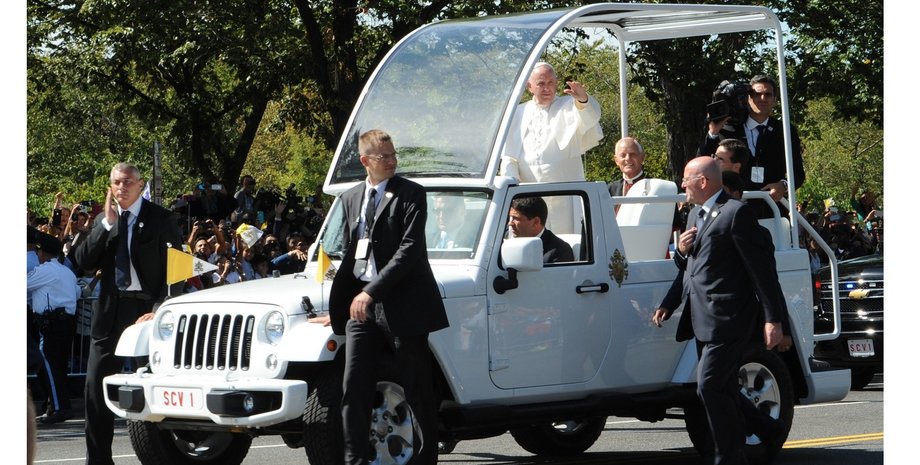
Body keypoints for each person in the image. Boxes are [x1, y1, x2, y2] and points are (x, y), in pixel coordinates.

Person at [651, 156, 785, 465]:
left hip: (730, 318)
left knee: (708, 387)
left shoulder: (736, 214)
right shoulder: (694, 215)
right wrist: (670, 301)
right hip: (702, 318)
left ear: (703, 182)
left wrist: (773, 318)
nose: (682, 184)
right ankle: (768, 429)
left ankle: (727, 457)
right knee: (722, 387)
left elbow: (762, 271)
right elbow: (693, 269)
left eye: (686, 179)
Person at [328, 129, 449, 465]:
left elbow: (410, 252)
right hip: (362, 307)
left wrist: (370, 292)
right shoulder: (351, 198)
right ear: (366, 161)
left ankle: (425, 460)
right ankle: (354, 459)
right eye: (385, 156)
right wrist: (340, 302)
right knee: (354, 385)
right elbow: (351, 255)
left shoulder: (411, 194)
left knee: (417, 388)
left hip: (402, 305)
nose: (393, 161)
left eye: (394, 155)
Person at [73, 162, 184, 465]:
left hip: (145, 310)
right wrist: (105, 226)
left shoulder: (161, 219)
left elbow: (177, 270)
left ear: (140, 184)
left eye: (126, 182)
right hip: (110, 309)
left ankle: (162, 455)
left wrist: (160, 309)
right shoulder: (104, 220)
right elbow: (82, 261)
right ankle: (97, 459)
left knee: (154, 385)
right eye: (115, 183)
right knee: (95, 385)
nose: (120, 188)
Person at [500, 62, 603, 234]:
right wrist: (511, 187)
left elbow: (590, 118)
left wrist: (583, 99)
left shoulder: (569, 105)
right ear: (529, 86)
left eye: (551, 83)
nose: (547, 88)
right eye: (541, 83)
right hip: (529, 198)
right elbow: (509, 157)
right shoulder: (517, 113)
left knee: (568, 243)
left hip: (566, 196)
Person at [698, 75, 805, 215]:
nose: (762, 99)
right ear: (748, 98)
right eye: (757, 94)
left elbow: (798, 173)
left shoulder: (785, 130)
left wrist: (784, 185)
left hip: (772, 211)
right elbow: (702, 164)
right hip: (732, 210)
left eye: (768, 94)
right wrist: (713, 133)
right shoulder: (728, 128)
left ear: (775, 100)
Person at [28, 232, 81, 425]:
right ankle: (54, 406)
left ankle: (60, 408)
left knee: (50, 365)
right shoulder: (66, 271)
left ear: (42, 254)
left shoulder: (45, 270)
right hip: (66, 322)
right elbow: (76, 292)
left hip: (51, 324)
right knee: (58, 367)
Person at [507, 196, 574, 264]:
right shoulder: (509, 244)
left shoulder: (560, 251)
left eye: (516, 219)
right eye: (511, 217)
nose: (510, 223)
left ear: (536, 222)